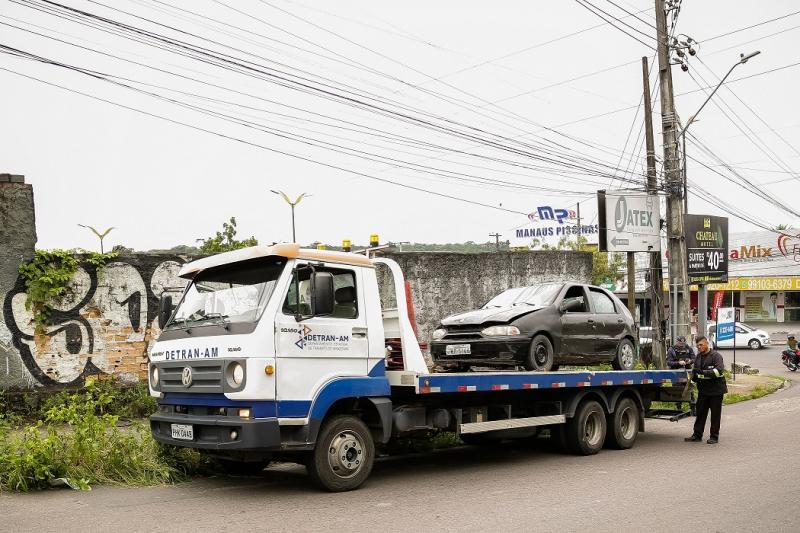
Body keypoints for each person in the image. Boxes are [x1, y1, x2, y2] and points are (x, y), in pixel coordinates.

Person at [686, 336, 727, 444]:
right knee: (700, 413)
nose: (699, 347)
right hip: (703, 390)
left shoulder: (716, 356)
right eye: (697, 345)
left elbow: (719, 371)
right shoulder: (698, 357)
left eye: (701, 345)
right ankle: (697, 435)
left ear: (706, 343)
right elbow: (697, 372)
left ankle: (714, 436)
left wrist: (703, 372)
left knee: (715, 415)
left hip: (716, 391)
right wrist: (694, 377)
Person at [667, 336, 696, 414]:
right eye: (680, 343)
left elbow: (694, 358)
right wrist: (678, 363)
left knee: (690, 390)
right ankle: (678, 408)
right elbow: (669, 362)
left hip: (687, 372)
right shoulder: (671, 349)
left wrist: (690, 361)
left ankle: (693, 408)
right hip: (676, 373)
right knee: (677, 391)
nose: (682, 344)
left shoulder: (688, 348)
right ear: (677, 342)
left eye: (683, 343)